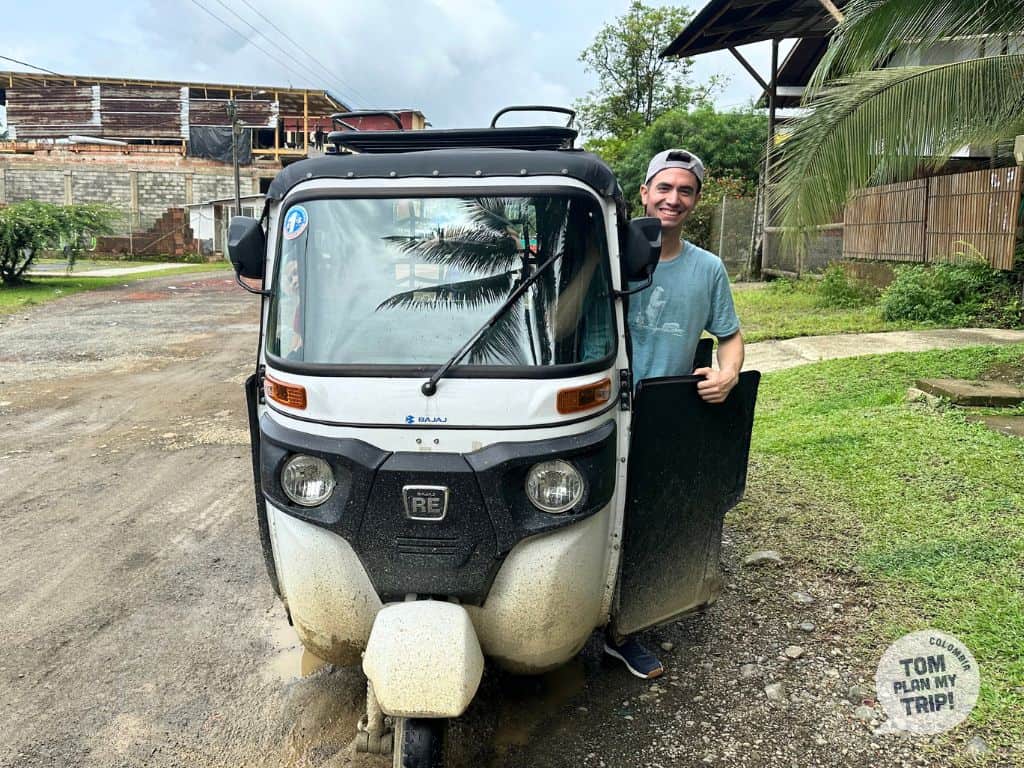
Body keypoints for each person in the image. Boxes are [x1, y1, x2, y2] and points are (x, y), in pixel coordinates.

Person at [603, 148, 745, 679]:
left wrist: (728, 375)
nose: (673, 199)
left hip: (665, 418)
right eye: (664, 188)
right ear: (644, 193)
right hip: (599, 413)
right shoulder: (609, 258)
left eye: (685, 191)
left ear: (696, 202)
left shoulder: (707, 269)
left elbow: (729, 338)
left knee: (649, 519)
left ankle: (625, 631)